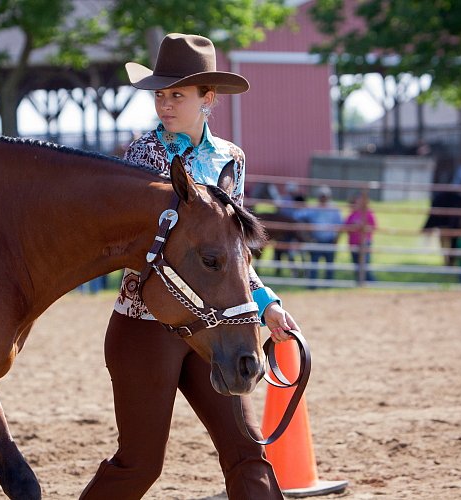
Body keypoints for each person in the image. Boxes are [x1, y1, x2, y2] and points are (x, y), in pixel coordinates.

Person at [80, 33, 299, 500]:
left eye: (177, 94)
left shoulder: (231, 160)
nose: (165, 104)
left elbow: (231, 253)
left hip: (213, 325)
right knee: (139, 466)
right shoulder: (144, 157)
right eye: (160, 94)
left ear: (208, 98)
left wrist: (267, 306)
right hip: (145, 327)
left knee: (247, 453)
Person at [303, 186, 342, 283]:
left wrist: (336, 239)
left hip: (330, 240)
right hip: (317, 240)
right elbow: (299, 216)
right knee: (314, 264)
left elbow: (339, 225)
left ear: (329, 197)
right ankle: (312, 285)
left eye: (325, 196)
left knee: (329, 265)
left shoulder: (334, 209)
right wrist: (308, 235)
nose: (323, 198)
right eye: (321, 196)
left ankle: (328, 284)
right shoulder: (313, 209)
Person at [345, 193, 376, 282]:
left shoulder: (368, 213)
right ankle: (360, 283)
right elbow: (346, 227)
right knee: (357, 266)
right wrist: (354, 227)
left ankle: (372, 283)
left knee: (365, 266)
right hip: (354, 243)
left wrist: (363, 228)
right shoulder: (352, 214)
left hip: (364, 243)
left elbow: (373, 227)